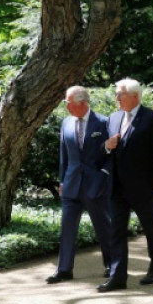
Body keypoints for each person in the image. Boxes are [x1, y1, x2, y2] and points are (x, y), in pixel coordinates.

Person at [96, 78, 153, 292]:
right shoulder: (113, 117)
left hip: (143, 187)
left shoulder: (152, 119)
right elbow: (104, 153)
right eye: (116, 94)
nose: (116, 98)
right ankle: (118, 277)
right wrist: (106, 146)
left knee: (151, 227)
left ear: (134, 96)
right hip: (116, 187)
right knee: (116, 232)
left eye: (120, 94)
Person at [46, 86, 113, 284]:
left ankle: (111, 264)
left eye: (69, 103)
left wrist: (104, 175)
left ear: (83, 103)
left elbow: (113, 154)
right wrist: (61, 181)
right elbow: (63, 156)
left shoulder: (103, 122)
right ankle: (64, 269)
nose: (66, 107)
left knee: (103, 226)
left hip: (95, 184)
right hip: (71, 184)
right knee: (67, 227)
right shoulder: (66, 123)